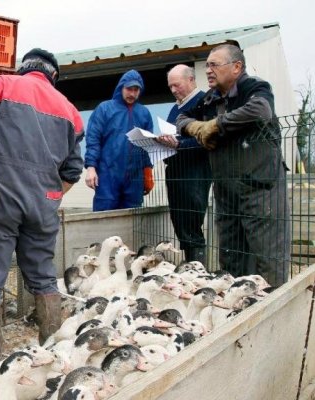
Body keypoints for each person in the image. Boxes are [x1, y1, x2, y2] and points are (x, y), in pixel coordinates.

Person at [0, 48, 84, 363]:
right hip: (43, 205)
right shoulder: (70, 111)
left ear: (24, 68)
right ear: (53, 76)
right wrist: (48, 197)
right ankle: (53, 356)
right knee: (43, 277)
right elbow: (72, 171)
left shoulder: (0, 86)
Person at [176, 44, 290, 286]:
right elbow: (181, 118)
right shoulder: (210, 98)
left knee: (267, 256)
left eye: (214, 65)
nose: (208, 70)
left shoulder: (254, 88)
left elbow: (261, 110)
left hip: (260, 187)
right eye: (207, 65)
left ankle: (273, 303)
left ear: (236, 67)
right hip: (226, 189)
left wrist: (216, 124)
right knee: (231, 255)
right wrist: (196, 127)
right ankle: (237, 301)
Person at [156, 65, 211, 263]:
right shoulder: (175, 108)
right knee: (179, 221)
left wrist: (179, 144)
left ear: (191, 80)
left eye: (177, 85)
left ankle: (198, 267)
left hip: (195, 172)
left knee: (191, 222)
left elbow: (208, 138)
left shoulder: (204, 102)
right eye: (170, 86)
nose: (173, 90)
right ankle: (189, 264)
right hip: (175, 170)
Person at [84, 70, 155, 211]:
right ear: (121, 87)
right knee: (104, 215)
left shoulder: (144, 113)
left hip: (135, 178)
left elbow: (148, 145)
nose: (132, 94)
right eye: (129, 89)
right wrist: (91, 167)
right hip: (107, 175)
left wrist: (147, 171)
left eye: (136, 90)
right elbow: (93, 139)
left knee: (133, 217)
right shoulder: (105, 109)